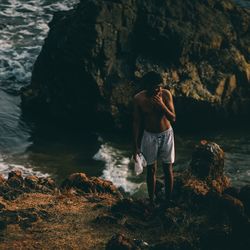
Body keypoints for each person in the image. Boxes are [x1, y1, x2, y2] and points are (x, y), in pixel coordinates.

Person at [133, 71, 176, 207]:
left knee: (167, 168)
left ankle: (168, 200)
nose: (158, 89)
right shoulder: (138, 99)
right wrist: (135, 146)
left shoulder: (165, 94)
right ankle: (151, 202)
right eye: (155, 87)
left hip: (166, 134)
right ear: (147, 86)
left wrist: (162, 105)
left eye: (159, 86)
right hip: (149, 136)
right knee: (151, 169)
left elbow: (173, 118)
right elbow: (136, 123)